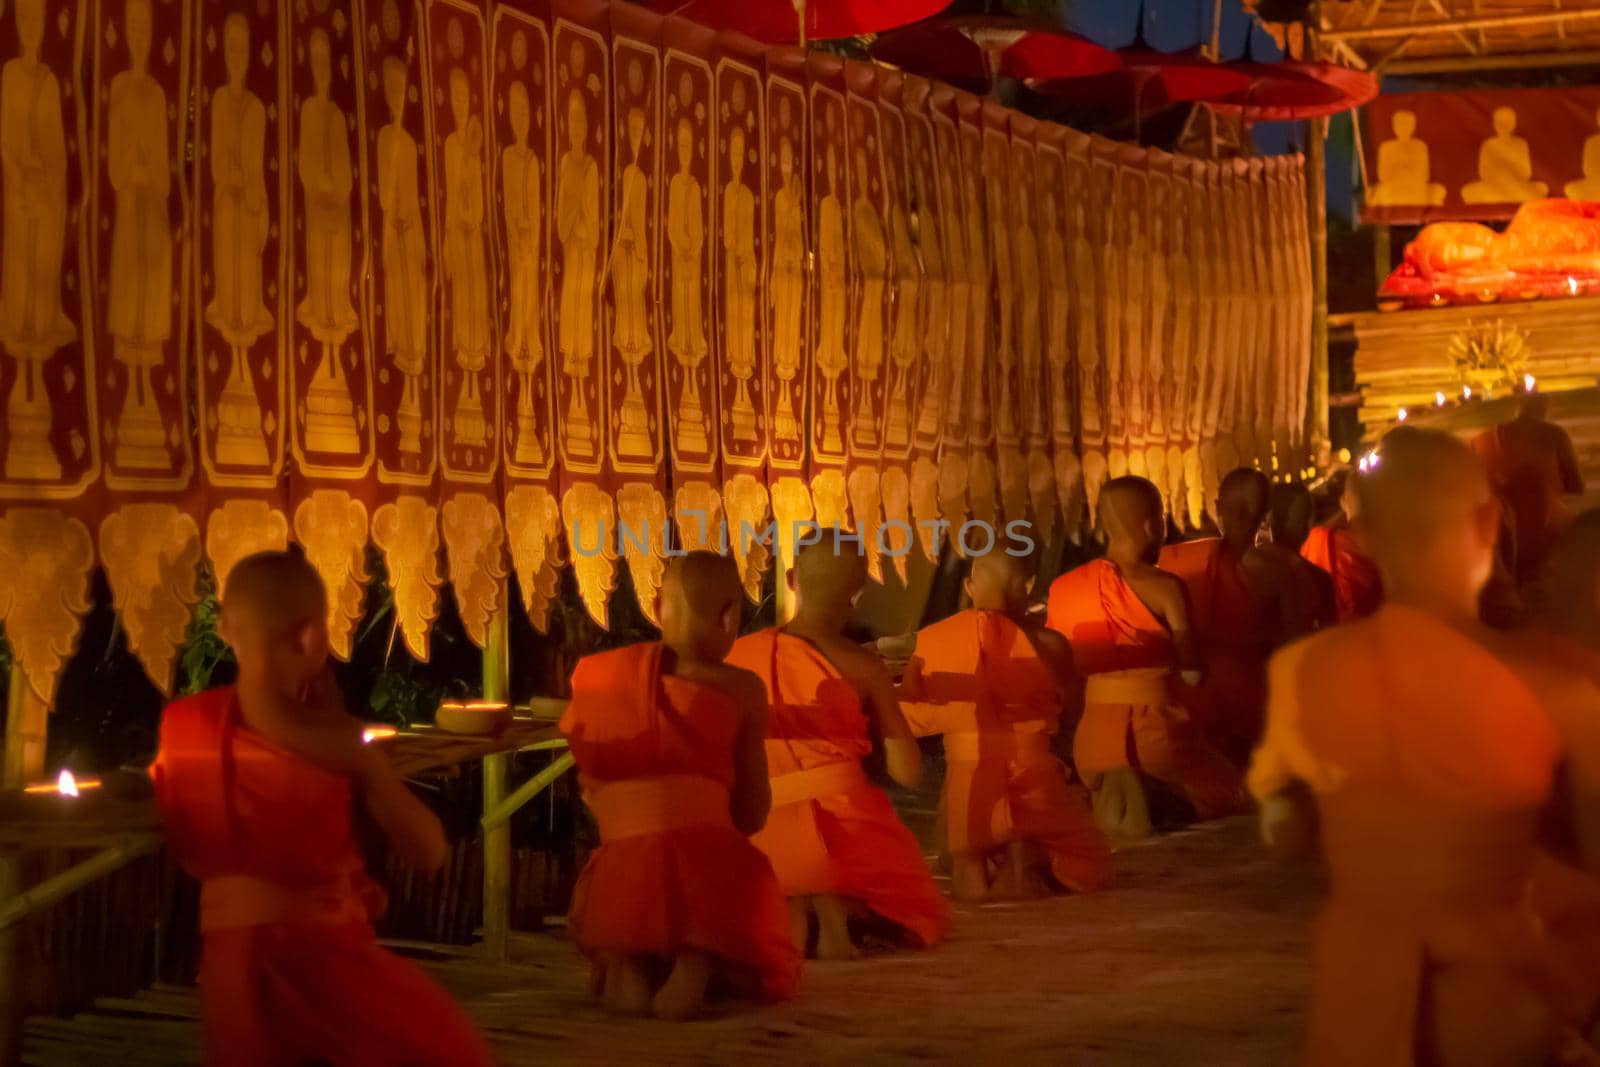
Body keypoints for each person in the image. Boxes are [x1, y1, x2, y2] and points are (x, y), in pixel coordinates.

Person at [1249, 430, 1600, 1066]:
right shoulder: (1555, 683)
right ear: (1491, 523)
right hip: (1501, 997)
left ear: (1359, 539)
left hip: (1361, 997)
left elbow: (1283, 838)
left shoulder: (1302, 671)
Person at [150, 551, 491, 1067]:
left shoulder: (184, 732)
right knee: (443, 1046)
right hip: (322, 963)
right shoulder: (340, 744)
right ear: (311, 637)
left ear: (223, 628)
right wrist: (373, 771)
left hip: (228, 971)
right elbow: (429, 851)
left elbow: (183, 839)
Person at [561, 552, 800, 1019]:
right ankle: (697, 962)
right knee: (734, 864)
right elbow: (752, 809)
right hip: (706, 867)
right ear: (729, 615)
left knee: (627, 868)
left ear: (657, 606)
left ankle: (629, 963)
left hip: (623, 872)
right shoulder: (742, 688)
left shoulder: (601, 678)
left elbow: (589, 780)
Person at [727, 531, 950, 960]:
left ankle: (796, 904)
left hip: (758, 831)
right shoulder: (862, 665)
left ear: (792, 579)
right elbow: (909, 772)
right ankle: (833, 905)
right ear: (857, 593)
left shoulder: (737, 657)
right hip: (849, 833)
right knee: (915, 909)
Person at [899, 552, 1112, 902]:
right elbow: (1071, 713)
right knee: (1090, 865)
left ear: (969, 587)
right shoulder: (1050, 644)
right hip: (1036, 777)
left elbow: (913, 717)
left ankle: (988, 859)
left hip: (968, 783)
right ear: (1028, 586)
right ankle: (1024, 854)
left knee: (964, 864)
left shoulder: (934, 640)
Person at [1047, 477, 1248, 843]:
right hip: (1157, 738)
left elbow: (1062, 677)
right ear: (1151, 524)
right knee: (1232, 792)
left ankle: (1109, 795)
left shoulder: (1063, 588)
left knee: (1100, 798)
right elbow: (1192, 675)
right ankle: (1158, 801)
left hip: (1091, 743)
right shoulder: (1165, 587)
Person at [1159, 468, 1290, 764]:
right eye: (1237, 510)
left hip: (1212, 697)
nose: (1241, 518)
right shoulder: (1279, 569)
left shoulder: (1180, 564)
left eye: (1245, 510)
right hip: (1239, 698)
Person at [1472, 392, 1585, 586]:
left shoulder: (1485, 438)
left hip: (1499, 533)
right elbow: (1575, 485)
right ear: (1545, 410)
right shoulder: (1554, 434)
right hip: (1545, 526)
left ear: (1518, 409)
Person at [1300, 471, 1383, 622]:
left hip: (1334, 634)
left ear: (1343, 502)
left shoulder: (1321, 538)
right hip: (1379, 631)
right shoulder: (1392, 546)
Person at [1262, 482, 1338, 635]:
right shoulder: (1318, 579)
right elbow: (1330, 639)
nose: (1306, 523)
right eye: (1302, 515)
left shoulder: (1243, 569)